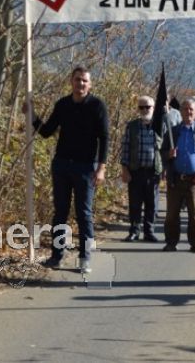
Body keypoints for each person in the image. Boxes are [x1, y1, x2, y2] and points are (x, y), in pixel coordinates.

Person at [24, 66, 108, 273]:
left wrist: (101, 168)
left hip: (86, 167)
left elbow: (104, 137)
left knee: (84, 213)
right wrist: (32, 116)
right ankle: (56, 256)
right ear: (71, 81)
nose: (81, 84)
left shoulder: (97, 106)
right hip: (62, 164)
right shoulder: (62, 104)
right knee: (60, 212)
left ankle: (85, 258)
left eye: (84, 81)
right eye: (77, 79)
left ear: (90, 84)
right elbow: (47, 132)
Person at [161, 98, 195, 253]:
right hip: (176, 179)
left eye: (191, 109)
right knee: (171, 216)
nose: (188, 112)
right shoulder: (173, 132)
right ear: (181, 112)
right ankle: (171, 242)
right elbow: (162, 153)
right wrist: (168, 154)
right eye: (185, 109)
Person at [120, 95, 162, 243]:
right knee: (135, 204)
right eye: (141, 107)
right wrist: (124, 169)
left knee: (152, 204)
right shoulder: (132, 126)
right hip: (135, 171)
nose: (144, 110)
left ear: (153, 108)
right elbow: (125, 148)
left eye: (148, 107)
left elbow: (166, 148)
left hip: (153, 172)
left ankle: (149, 231)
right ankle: (134, 231)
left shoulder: (160, 126)